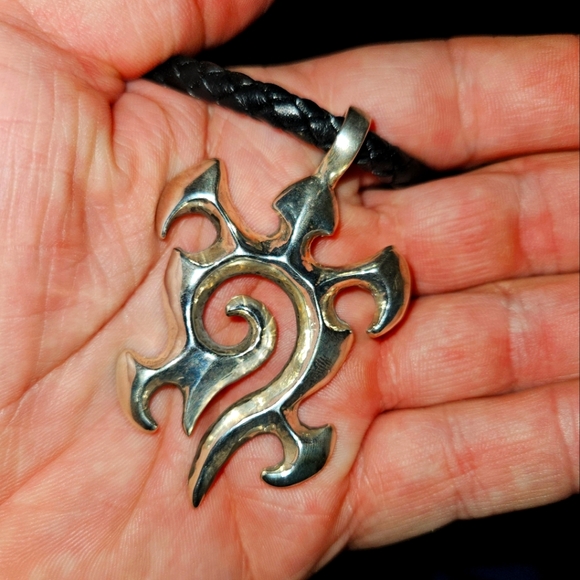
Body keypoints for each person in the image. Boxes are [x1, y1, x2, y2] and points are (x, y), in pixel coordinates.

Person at [0, 0, 577, 577]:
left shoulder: (259, 239)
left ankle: (211, 399)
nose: (303, 215)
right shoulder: (268, 248)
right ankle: (190, 388)